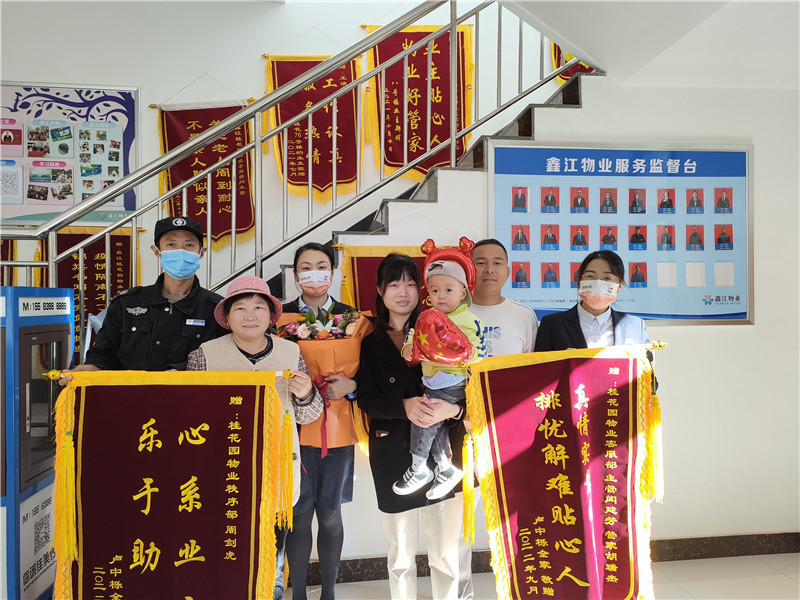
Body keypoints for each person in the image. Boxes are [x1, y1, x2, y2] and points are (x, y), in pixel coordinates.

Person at [186, 277, 323, 600]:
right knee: (224, 541)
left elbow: (308, 416)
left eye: (259, 308)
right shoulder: (204, 355)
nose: (250, 316)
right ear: (227, 316)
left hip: (277, 466)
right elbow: (189, 417)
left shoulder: (291, 352)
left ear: (271, 316)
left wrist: (305, 394)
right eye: (241, 308)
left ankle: (271, 588)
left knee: (272, 549)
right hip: (222, 466)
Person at [357, 254, 465, 599]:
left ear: (421, 290)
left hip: (444, 453)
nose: (403, 292)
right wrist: (403, 405)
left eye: (410, 283)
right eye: (394, 284)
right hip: (391, 450)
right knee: (400, 555)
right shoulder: (367, 340)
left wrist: (453, 409)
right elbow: (366, 398)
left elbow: (471, 385)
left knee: (445, 554)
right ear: (380, 290)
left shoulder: (444, 327)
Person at [59, 216, 225, 385]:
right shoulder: (126, 303)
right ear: (157, 251)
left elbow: (223, 357)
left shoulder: (216, 309)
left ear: (201, 252)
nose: (180, 251)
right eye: (171, 244)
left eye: (189, 245)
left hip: (191, 395)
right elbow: (104, 352)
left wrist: (183, 371)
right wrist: (92, 367)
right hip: (131, 395)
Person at [282, 242, 356, 600]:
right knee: (297, 515)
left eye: (321, 266)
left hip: (336, 429)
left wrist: (352, 385)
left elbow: (370, 371)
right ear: (295, 274)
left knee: (329, 511)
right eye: (306, 267)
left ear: (333, 272)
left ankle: (329, 593)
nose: (314, 273)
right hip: (292, 431)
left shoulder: (353, 319)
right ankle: (297, 594)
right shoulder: (278, 317)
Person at [395, 259, 485, 500]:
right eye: (434, 290)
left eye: (448, 289)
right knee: (433, 423)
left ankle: (419, 468)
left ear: (463, 292)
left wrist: (462, 352)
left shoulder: (469, 320)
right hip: (431, 380)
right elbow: (412, 339)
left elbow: (478, 353)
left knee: (425, 419)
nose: (441, 296)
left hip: (453, 381)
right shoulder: (424, 317)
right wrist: (408, 349)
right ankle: (445, 467)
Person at [534, 250, 649, 352]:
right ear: (579, 280)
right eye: (590, 276)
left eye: (607, 278)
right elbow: (541, 368)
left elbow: (646, 369)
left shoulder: (635, 326)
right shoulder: (552, 325)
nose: (598, 283)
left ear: (619, 287)